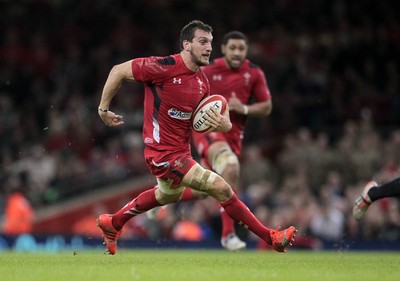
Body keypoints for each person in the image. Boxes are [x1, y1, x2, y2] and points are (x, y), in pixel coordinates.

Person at [96, 20, 296, 255]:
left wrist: (226, 123)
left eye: (210, 43)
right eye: (203, 42)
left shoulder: (202, 83)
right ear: (186, 45)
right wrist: (103, 109)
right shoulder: (164, 66)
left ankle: (114, 223)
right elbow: (118, 70)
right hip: (162, 154)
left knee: (167, 195)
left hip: (181, 153)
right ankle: (271, 237)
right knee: (221, 187)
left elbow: (204, 124)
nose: (209, 48)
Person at [173, 31, 273, 250]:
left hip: (233, 136)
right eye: (232, 48)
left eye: (241, 49)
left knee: (204, 189)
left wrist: (244, 108)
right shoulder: (208, 70)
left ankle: (163, 195)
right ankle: (228, 234)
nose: (237, 52)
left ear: (246, 51)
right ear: (224, 50)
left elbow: (266, 106)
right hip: (207, 130)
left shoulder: (254, 74)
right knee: (230, 166)